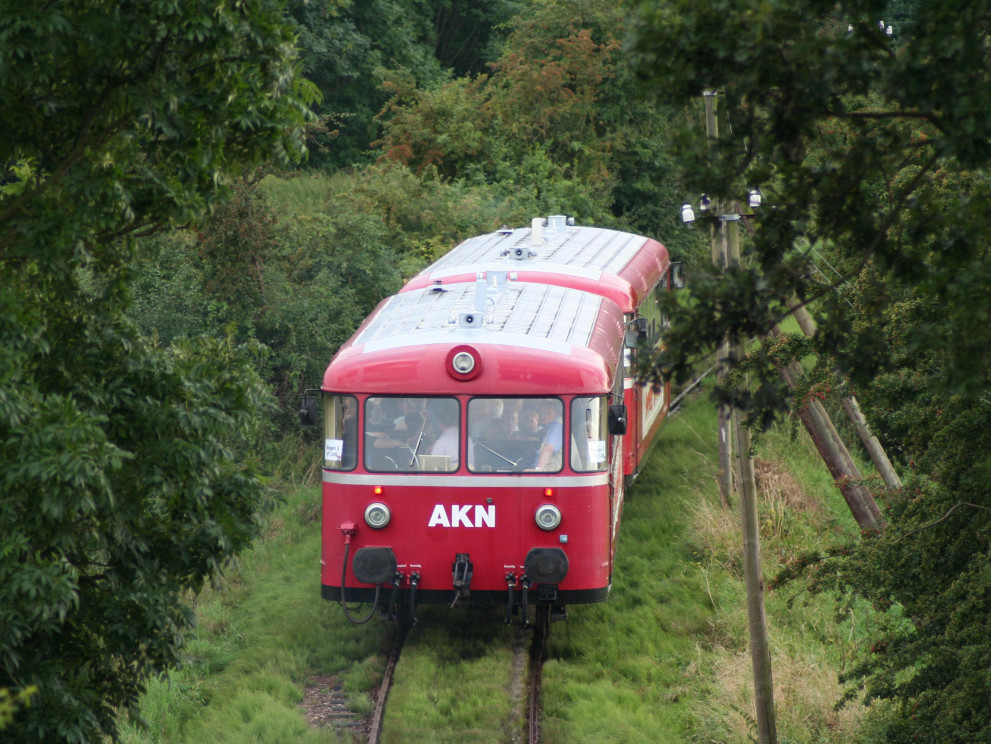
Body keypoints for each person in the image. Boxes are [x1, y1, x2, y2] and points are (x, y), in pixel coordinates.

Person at [528, 400, 563, 471]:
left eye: (547, 413)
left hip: (552, 474)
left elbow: (549, 448)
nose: (544, 416)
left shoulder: (556, 425)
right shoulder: (550, 426)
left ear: (556, 412)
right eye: (542, 414)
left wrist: (538, 470)